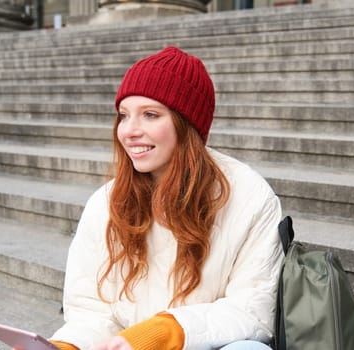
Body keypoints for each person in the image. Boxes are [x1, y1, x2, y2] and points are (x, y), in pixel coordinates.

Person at [47, 46, 284, 350]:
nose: (129, 131)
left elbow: (254, 310)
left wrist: (167, 331)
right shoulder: (105, 202)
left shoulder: (249, 195)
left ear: (186, 126)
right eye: (123, 115)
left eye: (150, 114)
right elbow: (91, 309)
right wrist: (68, 346)